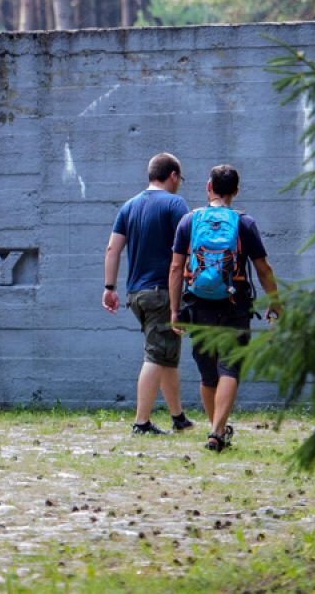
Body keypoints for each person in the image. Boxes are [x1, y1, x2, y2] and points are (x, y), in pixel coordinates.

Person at [168, 164, 280, 452]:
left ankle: (216, 430)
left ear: (209, 187)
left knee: (208, 373)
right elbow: (263, 269)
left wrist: (174, 309)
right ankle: (217, 431)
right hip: (235, 303)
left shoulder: (189, 221)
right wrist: (274, 302)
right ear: (236, 191)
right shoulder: (244, 223)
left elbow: (176, 268)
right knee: (229, 368)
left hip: (197, 304)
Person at [103, 153, 195, 435]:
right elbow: (188, 248)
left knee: (166, 354)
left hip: (136, 295)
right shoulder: (175, 203)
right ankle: (141, 423)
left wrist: (109, 288)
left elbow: (113, 249)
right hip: (161, 292)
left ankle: (178, 418)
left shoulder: (129, 206)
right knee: (156, 356)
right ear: (173, 176)